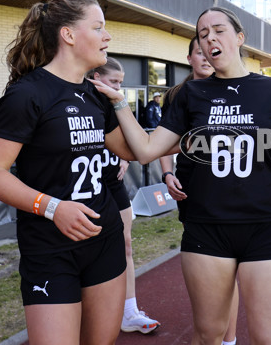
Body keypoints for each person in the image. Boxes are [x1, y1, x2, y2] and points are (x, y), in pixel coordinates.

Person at [91, 6, 271, 345]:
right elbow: (147, 150)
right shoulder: (190, 95)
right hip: (206, 231)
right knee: (209, 335)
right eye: (203, 35)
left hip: (264, 228)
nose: (210, 39)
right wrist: (118, 103)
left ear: (239, 37)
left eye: (218, 30)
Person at [0, 0, 136, 345]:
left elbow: (131, 150)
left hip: (103, 237)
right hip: (50, 247)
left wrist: (120, 101)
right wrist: (53, 208)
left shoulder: (96, 94)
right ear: (68, 35)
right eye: (98, 27)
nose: (107, 36)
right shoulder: (27, 94)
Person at [158, 37, 239, 345]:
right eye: (198, 51)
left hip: (228, 183)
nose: (206, 55)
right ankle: (210, 328)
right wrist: (167, 173)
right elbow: (163, 139)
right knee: (207, 263)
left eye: (210, 51)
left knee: (230, 264)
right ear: (189, 58)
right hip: (192, 181)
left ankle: (228, 339)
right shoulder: (178, 95)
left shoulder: (233, 89)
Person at [88, 57, 161, 334]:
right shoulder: (83, 101)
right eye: (114, 81)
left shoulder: (118, 106)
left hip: (114, 182)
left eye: (121, 82)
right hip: (88, 185)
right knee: (91, 248)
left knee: (126, 244)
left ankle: (129, 312)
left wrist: (126, 157)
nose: (119, 87)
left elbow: (136, 141)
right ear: (96, 76)